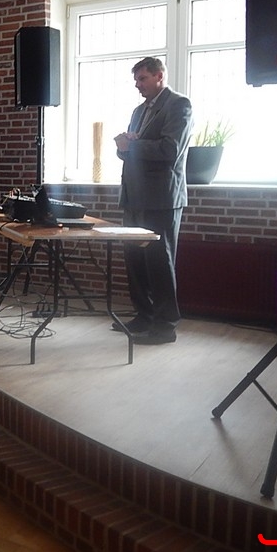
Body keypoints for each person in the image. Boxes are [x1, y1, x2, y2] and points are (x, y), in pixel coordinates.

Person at [114, 57, 193, 345]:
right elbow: (129, 152)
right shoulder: (138, 111)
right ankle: (144, 315)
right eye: (136, 80)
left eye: (142, 79)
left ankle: (165, 326)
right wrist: (123, 146)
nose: (138, 85)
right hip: (134, 196)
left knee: (159, 262)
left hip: (161, 198)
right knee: (135, 259)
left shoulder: (179, 105)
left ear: (159, 76)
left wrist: (132, 145)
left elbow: (171, 149)